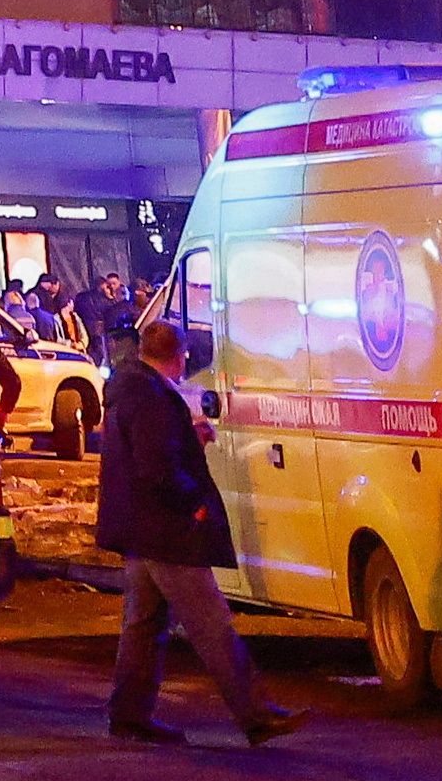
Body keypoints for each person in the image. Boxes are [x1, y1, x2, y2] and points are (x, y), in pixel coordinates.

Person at [94, 315, 294, 748]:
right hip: (166, 530)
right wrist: (195, 505)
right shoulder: (151, 396)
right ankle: (256, 714)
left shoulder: (132, 388)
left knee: (143, 625)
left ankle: (129, 716)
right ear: (180, 356)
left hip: (141, 528)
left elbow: (147, 450)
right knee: (211, 624)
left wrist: (186, 434)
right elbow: (157, 467)